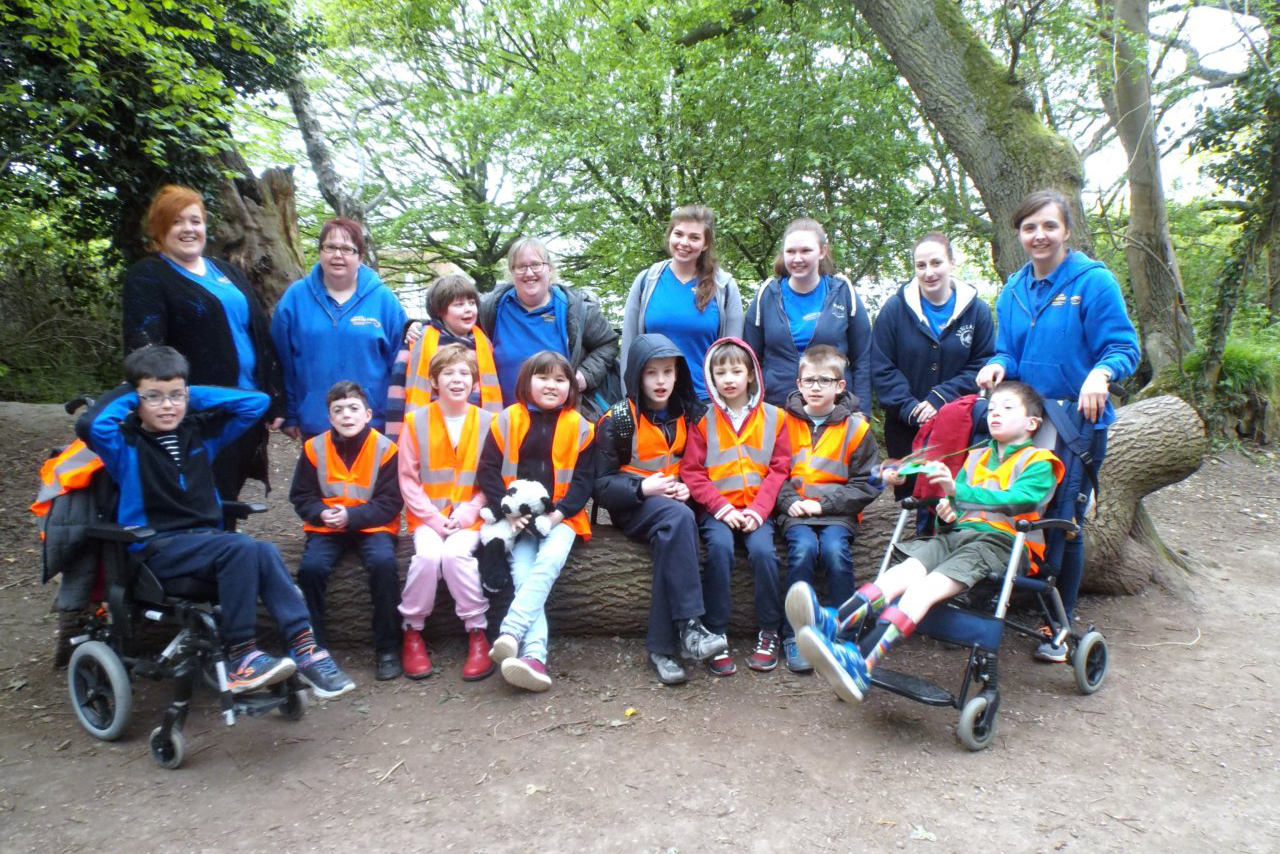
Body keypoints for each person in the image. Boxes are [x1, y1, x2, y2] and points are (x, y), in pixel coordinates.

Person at [76, 345, 354, 698]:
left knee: (264, 551)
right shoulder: (124, 445)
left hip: (206, 544)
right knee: (239, 547)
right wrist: (131, 394)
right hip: (155, 549)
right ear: (136, 398)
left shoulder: (199, 434)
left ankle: (306, 649)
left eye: (175, 395)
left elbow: (254, 403)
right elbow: (90, 423)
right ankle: (241, 657)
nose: (167, 405)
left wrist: (187, 395)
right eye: (154, 397)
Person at [792, 381, 1064, 702]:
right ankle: (834, 623)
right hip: (959, 536)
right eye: (991, 409)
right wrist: (947, 513)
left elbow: (1021, 501)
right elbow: (955, 506)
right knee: (902, 573)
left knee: (924, 588)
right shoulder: (976, 456)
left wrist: (958, 495)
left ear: (1032, 423)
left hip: (1001, 544)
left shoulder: (1040, 462)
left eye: (1006, 408)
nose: (994, 414)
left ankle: (861, 660)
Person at [975, 189, 1139, 662]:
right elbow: (1008, 349)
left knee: (1063, 521)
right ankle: (1006, 594)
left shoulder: (1093, 282)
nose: (1039, 235)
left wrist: (1100, 373)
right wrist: (997, 367)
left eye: (1049, 226)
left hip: (1076, 422)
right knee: (1014, 507)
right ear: (1019, 235)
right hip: (1024, 422)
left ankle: (1059, 624)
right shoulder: (1013, 289)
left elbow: (1124, 347)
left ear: (1066, 230)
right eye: (1029, 228)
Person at [121, 185, 283, 500]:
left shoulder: (227, 271)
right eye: (177, 221)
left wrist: (276, 397)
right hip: (197, 413)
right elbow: (145, 353)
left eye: (195, 221)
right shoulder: (149, 276)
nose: (188, 229)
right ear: (159, 228)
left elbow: (261, 334)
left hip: (247, 407)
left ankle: (222, 545)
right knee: (199, 497)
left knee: (228, 495)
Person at [594, 333, 729, 685]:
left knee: (675, 533)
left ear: (678, 374)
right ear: (637, 375)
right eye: (651, 373)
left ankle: (662, 649)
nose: (660, 381)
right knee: (678, 519)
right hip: (634, 506)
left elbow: (702, 465)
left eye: (668, 372)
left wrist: (689, 488)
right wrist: (643, 487)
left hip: (679, 504)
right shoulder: (617, 419)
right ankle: (691, 626)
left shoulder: (690, 413)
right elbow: (601, 486)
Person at [478, 350, 596, 692]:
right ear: (526, 381)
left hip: (563, 518)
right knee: (522, 573)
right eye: (543, 377)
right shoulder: (506, 419)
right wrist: (507, 511)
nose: (551, 385)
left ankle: (512, 631)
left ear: (570, 387)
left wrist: (556, 515)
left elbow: (583, 482)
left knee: (549, 561)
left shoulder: (581, 426)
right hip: (514, 519)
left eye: (560, 380)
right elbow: (487, 470)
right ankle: (534, 657)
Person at [680, 338, 790, 675]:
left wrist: (758, 511)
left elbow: (780, 468)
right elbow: (692, 471)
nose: (728, 378)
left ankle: (769, 630)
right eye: (720, 372)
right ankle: (715, 632)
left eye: (736, 371)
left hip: (758, 510)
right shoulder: (703, 420)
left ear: (751, 375)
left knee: (764, 554)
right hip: (718, 510)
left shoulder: (775, 417)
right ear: (711, 378)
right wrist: (720, 508)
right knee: (719, 551)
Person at [289, 380, 403, 681]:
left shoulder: (386, 449)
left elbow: (391, 501)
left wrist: (352, 516)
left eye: (353, 409)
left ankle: (388, 648)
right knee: (311, 569)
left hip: (373, 526)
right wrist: (321, 513)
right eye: (338, 410)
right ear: (329, 418)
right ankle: (314, 648)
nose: (346, 415)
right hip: (325, 527)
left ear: (367, 414)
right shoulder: (314, 448)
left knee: (384, 565)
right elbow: (301, 495)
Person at [776, 345, 880, 673]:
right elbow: (768, 472)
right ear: (798, 383)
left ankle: (842, 632)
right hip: (795, 511)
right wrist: (790, 502)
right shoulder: (781, 422)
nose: (816, 387)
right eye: (809, 381)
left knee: (836, 552)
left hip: (837, 512)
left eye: (825, 380)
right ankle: (794, 634)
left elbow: (869, 483)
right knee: (803, 551)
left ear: (841, 385)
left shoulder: (857, 428)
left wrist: (823, 505)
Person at [398, 344, 495, 682]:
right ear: (434, 381)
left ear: (475, 382)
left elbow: (494, 479)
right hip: (427, 518)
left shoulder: (489, 422)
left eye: (464, 373)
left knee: (455, 557)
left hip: (471, 518)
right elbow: (408, 480)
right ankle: (412, 631)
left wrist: (472, 510)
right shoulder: (414, 422)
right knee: (427, 557)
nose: (457, 379)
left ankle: (477, 633)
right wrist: (434, 518)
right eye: (448, 373)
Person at [871, 231, 994, 498]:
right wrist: (910, 408)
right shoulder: (894, 310)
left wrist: (940, 398)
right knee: (912, 502)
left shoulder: (977, 311)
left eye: (936, 263)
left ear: (952, 262)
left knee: (954, 501)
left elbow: (983, 363)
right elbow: (881, 365)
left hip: (960, 424)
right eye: (921, 265)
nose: (929, 272)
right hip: (905, 426)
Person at [270, 218, 409, 440]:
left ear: (360, 257)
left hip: (373, 423)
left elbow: (401, 362)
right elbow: (280, 361)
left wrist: (398, 417)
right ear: (320, 252)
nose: (338, 255)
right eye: (330, 247)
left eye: (347, 249)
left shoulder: (384, 299)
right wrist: (290, 413)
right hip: (317, 422)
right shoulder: (295, 298)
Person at [478, 237, 620, 416]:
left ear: (550, 268)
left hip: (564, 422)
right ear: (511, 272)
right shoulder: (489, 309)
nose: (529, 273)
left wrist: (585, 376)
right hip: (506, 422)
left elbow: (608, 343)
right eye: (521, 267)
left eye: (536, 264)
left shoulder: (577, 309)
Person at [744, 218, 872, 411]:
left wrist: (862, 412)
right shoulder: (767, 294)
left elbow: (863, 359)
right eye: (790, 252)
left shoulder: (843, 293)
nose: (797, 259)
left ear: (822, 251)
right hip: (776, 409)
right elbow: (750, 358)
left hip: (833, 411)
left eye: (805, 251)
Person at [620, 205, 744, 400]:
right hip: (654, 404)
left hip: (706, 402)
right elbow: (629, 345)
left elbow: (734, 354)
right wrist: (629, 397)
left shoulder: (724, 286)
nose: (684, 243)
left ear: (705, 244)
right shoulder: (648, 281)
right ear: (670, 236)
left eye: (694, 237)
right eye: (678, 234)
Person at [403, 274, 503, 415]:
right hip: (430, 428)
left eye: (472, 303)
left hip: (477, 430)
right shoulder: (417, 339)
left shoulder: (484, 343)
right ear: (440, 311)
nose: (468, 309)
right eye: (459, 304)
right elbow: (397, 391)